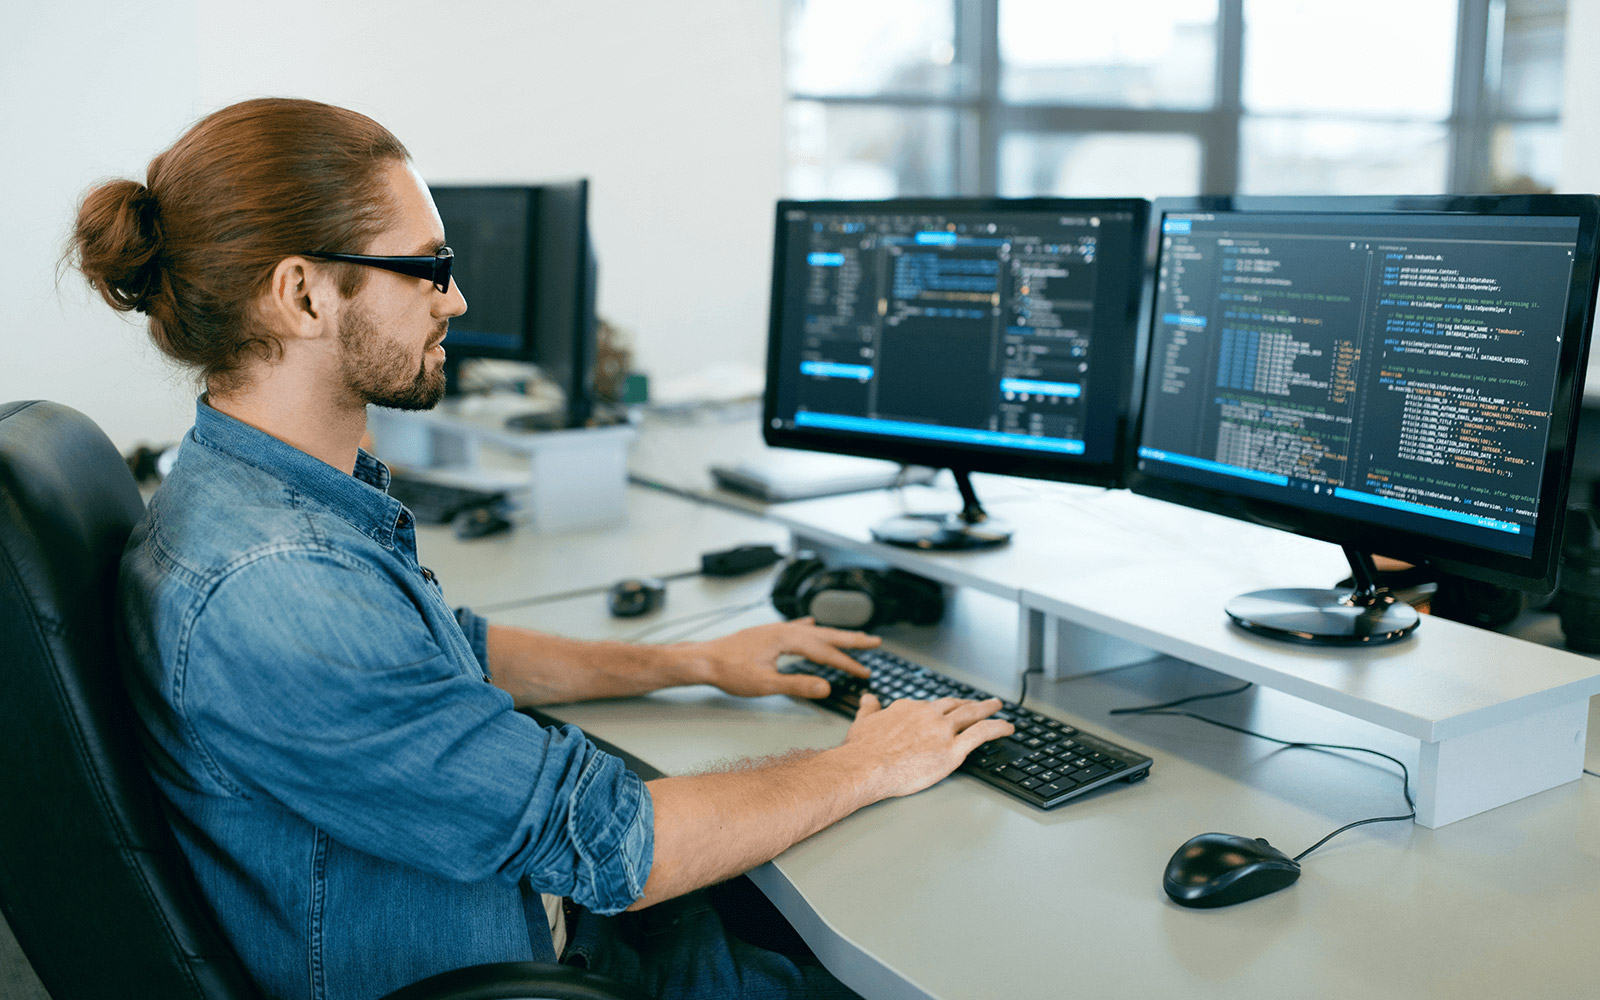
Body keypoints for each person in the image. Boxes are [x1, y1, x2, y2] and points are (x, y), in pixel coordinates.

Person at [70, 97, 1013, 1000]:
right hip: (527, 976)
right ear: (303, 293)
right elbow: (617, 846)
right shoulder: (279, 586)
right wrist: (868, 761)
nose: (457, 296)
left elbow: (451, 652)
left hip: (530, 927)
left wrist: (694, 662)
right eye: (429, 266)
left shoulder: (253, 491)